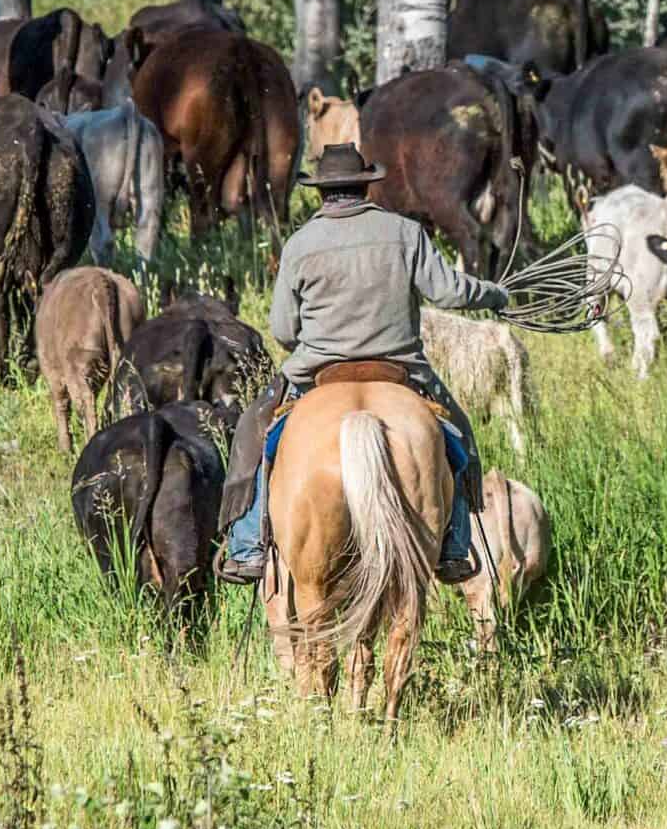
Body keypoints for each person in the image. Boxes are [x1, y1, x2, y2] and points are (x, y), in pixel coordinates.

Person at [215, 144, 508, 586]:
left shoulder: (300, 244)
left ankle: (247, 545)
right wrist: (494, 293)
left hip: (319, 372)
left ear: (322, 193)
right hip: (401, 371)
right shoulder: (404, 232)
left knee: (251, 439)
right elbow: (448, 293)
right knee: (458, 440)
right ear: (365, 187)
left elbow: (282, 329)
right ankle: (452, 543)